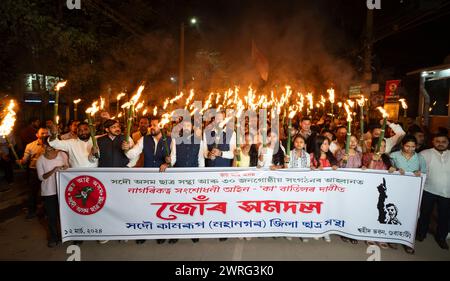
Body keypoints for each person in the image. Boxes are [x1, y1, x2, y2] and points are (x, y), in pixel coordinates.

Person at [123, 116, 171, 244]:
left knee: (161, 206)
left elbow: (174, 158)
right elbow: (131, 154)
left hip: (163, 179)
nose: (152, 127)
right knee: (145, 205)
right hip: (147, 179)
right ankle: (143, 231)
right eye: (151, 125)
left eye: (155, 125)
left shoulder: (170, 140)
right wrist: (126, 148)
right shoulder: (144, 139)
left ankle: (161, 232)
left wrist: (168, 164)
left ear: (161, 126)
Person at [389, 135, 427, 254]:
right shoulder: (394, 155)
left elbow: (425, 172)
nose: (410, 149)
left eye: (413, 147)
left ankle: (407, 241)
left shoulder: (419, 157)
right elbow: (387, 170)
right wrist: (394, 169)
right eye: (407, 146)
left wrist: (419, 172)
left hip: (412, 191)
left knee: (410, 215)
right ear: (402, 145)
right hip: (396, 189)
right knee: (395, 212)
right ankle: (393, 237)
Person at [417, 133, 450, 250]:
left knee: (444, 216)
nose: (440, 144)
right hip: (428, 189)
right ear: (433, 142)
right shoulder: (425, 154)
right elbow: (417, 169)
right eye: (438, 141)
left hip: (447, 192)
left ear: (448, 142)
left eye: (443, 141)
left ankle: (441, 238)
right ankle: (421, 234)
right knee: (425, 213)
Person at [36, 139, 69, 247]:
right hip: (49, 191)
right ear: (43, 147)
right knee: (52, 216)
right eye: (45, 146)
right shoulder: (40, 160)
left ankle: (66, 235)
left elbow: (68, 167)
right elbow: (41, 177)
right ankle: (53, 237)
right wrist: (53, 170)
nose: (48, 147)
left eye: (50, 145)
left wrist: (65, 168)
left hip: (62, 189)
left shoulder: (62, 154)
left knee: (64, 215)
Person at [17, 128, 49, 219]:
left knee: (47, 192)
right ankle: (32, 211)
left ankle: (46, 212)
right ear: (37, 135)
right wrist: (21, 161)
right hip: (34, 171)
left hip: (47, 172)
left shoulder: (52, 144)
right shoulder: (30, 146)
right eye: (42, 133)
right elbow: (25, 159)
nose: (45, 135)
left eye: (46, 133)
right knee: (33, 192)